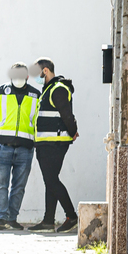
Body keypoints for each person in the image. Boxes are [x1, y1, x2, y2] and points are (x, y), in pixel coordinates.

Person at [0, 62, 40, 230]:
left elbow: (39, 120)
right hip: (2, 147)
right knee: (1, 185)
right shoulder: (1, 92)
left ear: (27, 77)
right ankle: (2, 220)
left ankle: (12, 219)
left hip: (25, 150)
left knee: (19, 187)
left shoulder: (35, 95)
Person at [28, 57, 79, 233]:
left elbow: (67, 115)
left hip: (55, 143)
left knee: (51, 180)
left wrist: (73, 131)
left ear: (46, 71)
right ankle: (48, 221)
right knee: (50, 181)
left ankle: (71, 216)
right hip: (45, 143)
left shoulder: (58, 89)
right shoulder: (47, 90)